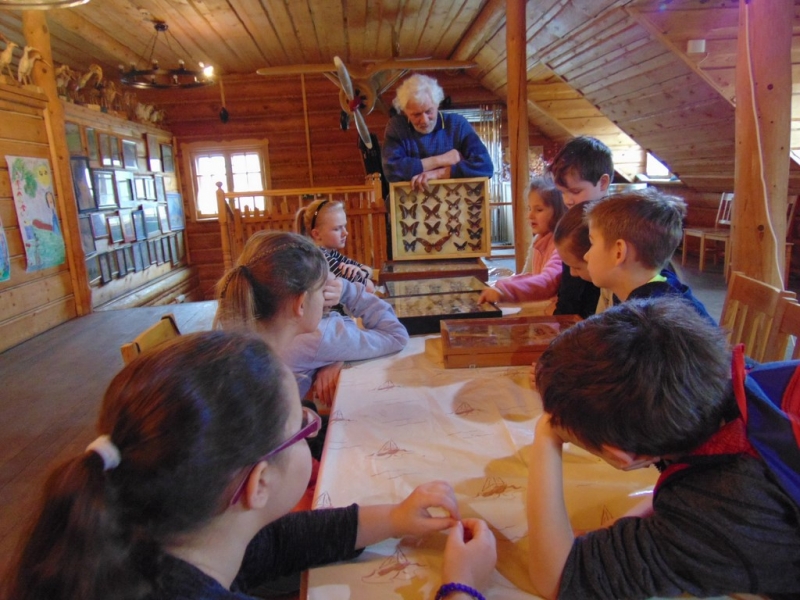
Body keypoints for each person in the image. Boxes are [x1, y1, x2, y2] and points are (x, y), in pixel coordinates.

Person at [5, 331, 497, 600]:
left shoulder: (149, 542)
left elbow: (273, 544)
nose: (311, 427)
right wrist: (462, 587)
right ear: (258, 483)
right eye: (302, 426)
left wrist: (393, 518)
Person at [528, 298, 800, 600]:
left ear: (624, 457)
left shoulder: (719, 513)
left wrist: (546, 435)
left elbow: (559, 577)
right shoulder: (743, 379)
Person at [214, 231, 408, 409]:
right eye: (322, 288)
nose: (327, 298)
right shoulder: (320, 337)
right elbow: (396, 335)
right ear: (300, 304)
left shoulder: (241, 337)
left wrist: (330, 359)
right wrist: (348, 291)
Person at [583, 188, 715, 323]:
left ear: (619, 252)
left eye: (592, 243)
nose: (586, 256)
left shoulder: (645, 322)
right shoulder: (662, 286)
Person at [382, 74, 493, 191]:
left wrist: (437, 174)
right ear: (405, 111)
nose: (424, 120)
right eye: (416, 114)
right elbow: (391, 170)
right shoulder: (397, 126)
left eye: (429, 111)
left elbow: (485, 167)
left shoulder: (458, 124)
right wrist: (441, 160)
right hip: (409, 201)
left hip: (454, 200)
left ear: (437, 104)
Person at [549, 136, 612, 318]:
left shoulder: (613, 230)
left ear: (603, 183)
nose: (568, 200)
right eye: (563, 193)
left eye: (575, 191)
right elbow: (568, 287)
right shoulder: (573, 223)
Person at [478, 177, 567, 305]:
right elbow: (531, 275)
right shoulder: (540, 239)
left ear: (558, 211)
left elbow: (547, 281)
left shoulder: (561, 244)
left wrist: (504, 290)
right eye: (529, 208)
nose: (530, 216)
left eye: (539, 210)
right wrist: (499, 284)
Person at [296, 198, 376, 293]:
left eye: (344, 226)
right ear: (316, 234)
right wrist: (363, 275)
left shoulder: (331, 252)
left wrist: (363, 272)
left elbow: (368, 270)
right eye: (337, 229)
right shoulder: (319, 258)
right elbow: (368, 288)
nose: (345, 233)